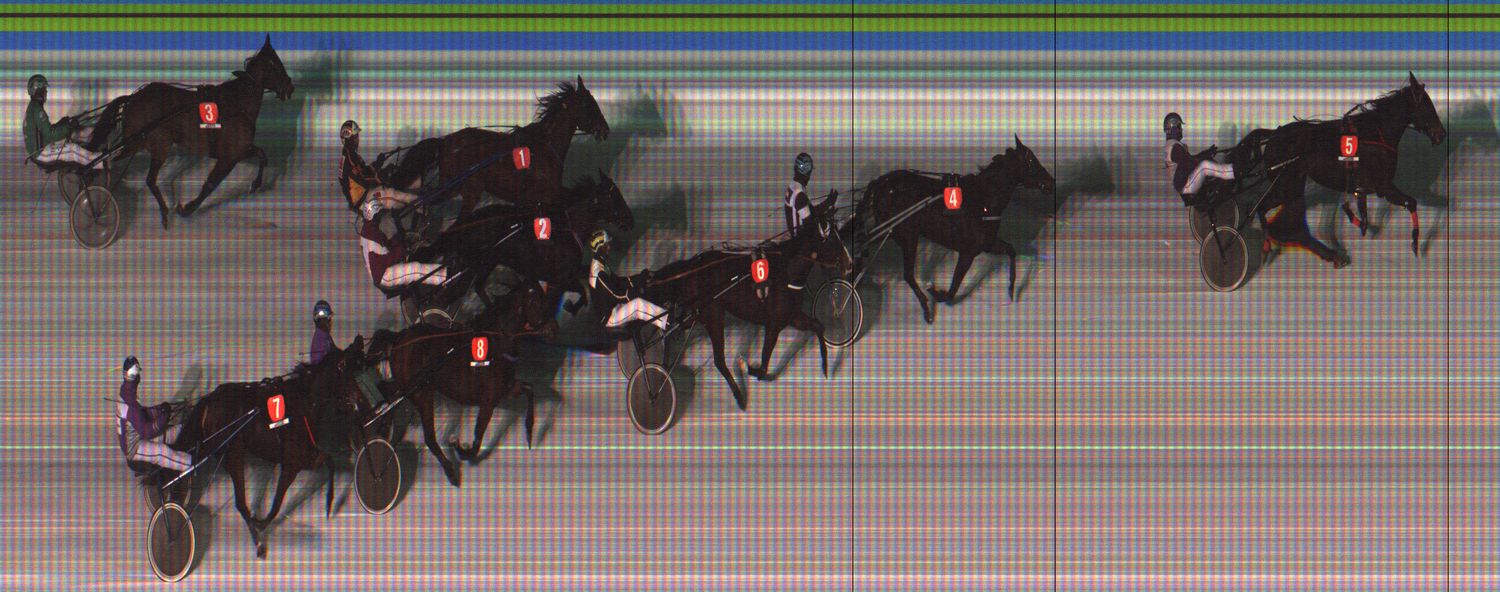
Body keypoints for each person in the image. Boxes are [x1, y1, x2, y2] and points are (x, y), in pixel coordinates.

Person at [114, 357, 192, 473]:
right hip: (133, 447)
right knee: (161, 452)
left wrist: (159, 409)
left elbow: (141, 414)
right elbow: (146, 431)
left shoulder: (126, 391)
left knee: (174, 432)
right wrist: (163, 417)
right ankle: (190, 465)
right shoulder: (131, 403)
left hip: (137, 434)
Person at [358, 199, 449, 292]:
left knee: (417, 262)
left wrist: (398, 238)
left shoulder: (370, 230)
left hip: (383, 270)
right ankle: (448, 277)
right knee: (415, 269)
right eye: (380, 213)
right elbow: (385, 260)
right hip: (383, 276)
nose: (382, 215)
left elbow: (385, 247)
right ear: (373, 215)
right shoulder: (371, 235)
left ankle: (444, 271)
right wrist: (403, 248)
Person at [588, 230, 668, 332]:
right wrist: (636, 291)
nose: (609, 247)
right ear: (600, 248)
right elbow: (615, 295)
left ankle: (663, 315)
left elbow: (617, 281)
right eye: (606, 245)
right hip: (609, 316)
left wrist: (639, 278)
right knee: (638, 305)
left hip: (614, 307)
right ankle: (668, 322)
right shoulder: (598, 272)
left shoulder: (600, 263)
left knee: (644, 295)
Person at [23, 74, 103, 169]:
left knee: (74, 140)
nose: (46, 92)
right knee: (72, 149)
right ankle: (103, 162)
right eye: (44, 89)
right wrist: (69, 126)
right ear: (38, 91)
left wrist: (62, 123)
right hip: (41, 153)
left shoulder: (33, 107)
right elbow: (51, 135)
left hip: (40, 149)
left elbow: (45, 130)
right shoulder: (37, 110)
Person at [340, 120, 418, 212]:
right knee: (392, 195)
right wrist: (381, 176)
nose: (358, 139)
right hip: (362, 200)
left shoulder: (351, 156)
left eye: (357, 136)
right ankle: (424, 208)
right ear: (348, 139)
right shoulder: (349, 160)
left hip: (365, 194)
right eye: (355, 137)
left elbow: (365, 172)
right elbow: (365, 182)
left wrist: (378, 163)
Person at [1163, 112, 1234, 199]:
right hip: (1186, 186)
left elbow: (1189, 160)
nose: (1181, 130)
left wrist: (1206, 153)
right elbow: (1191, 163)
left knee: (1205, 165)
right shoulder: (1175, 147)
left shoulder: (1170, 145)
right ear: (1173, 128)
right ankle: (1234, 171)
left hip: (1183, 184)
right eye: (1179, 127)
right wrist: (1205, 156)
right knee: (1205, 166)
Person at [310, 300, 335, 365]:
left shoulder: (326, 336)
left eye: (325, 319)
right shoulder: (320, 336)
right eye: (321, 320)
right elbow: (318, 362)